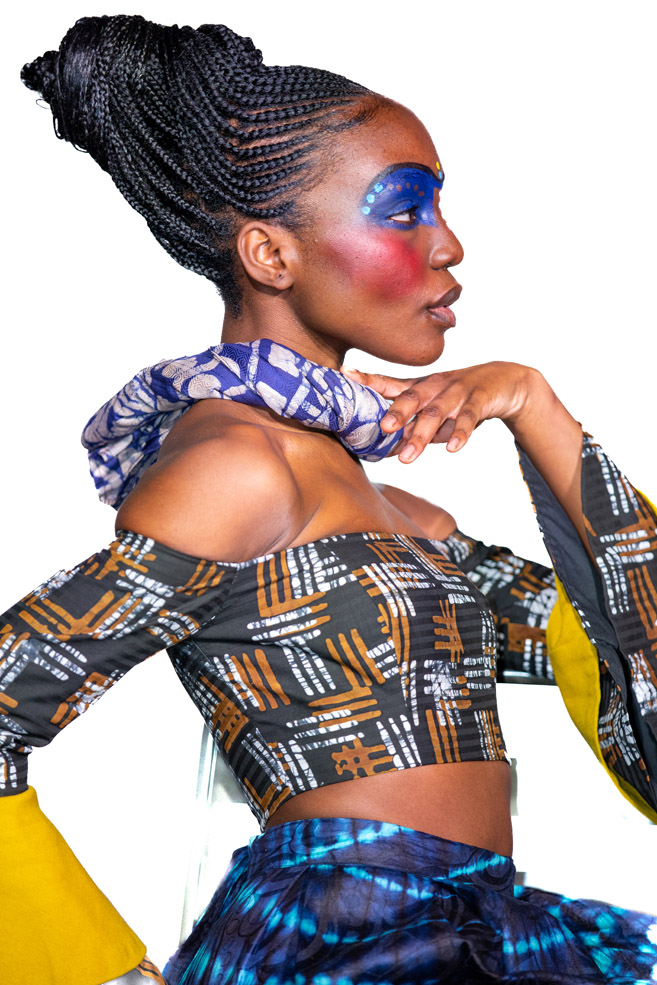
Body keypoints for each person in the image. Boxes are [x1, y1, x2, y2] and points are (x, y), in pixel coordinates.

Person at [2, 12, 656, 984]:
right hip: (336, 943)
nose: (450, 246)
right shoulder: (237, 468)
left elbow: (628, 637)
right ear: (270, 256)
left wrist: (534, 404)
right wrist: (91, 969)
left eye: (440, 206)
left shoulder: (403, 517)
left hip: (492, 932)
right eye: (404, 210)